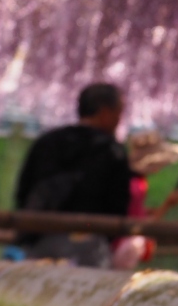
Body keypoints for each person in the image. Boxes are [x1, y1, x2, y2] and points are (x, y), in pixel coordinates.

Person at [14, 82, 131, 267]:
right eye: (119, 113)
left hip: (39, 240)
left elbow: (23, 191)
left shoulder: (46, 141)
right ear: (105, 112)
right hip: (90, 245)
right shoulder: (112, 150)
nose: (119, 120)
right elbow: (118, 205)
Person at [111, 131, 178, 269]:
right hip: (120, 252)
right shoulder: (136, 185)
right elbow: (139, 225)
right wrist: (167, 205)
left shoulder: (132, 180)